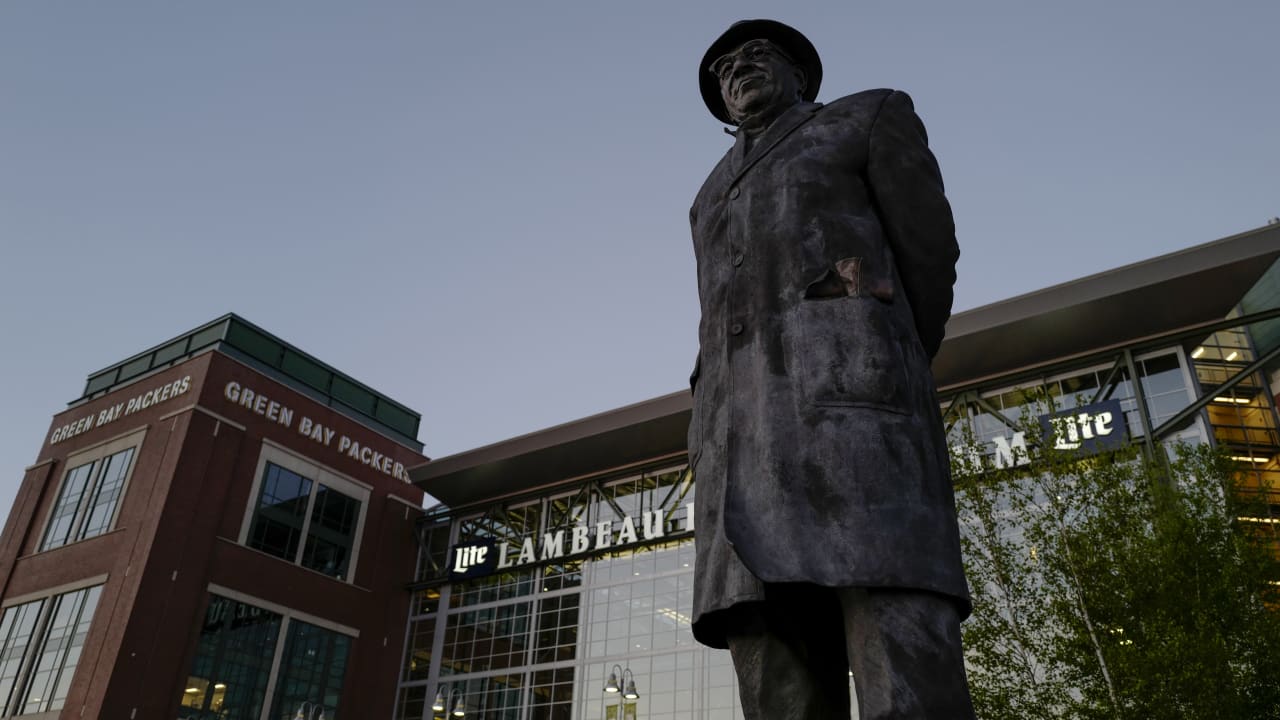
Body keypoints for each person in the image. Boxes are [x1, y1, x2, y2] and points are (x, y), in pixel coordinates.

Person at [686, 19, 975, 719]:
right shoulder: (707, 195)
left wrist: (868, 347)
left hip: (858, 429)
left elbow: (927, 260)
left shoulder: (867, 117)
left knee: (907, 673)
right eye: (724, 66)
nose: (738, 67)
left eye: (758, 54)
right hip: (739, 452)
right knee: (780, 689)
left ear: (801, 76)